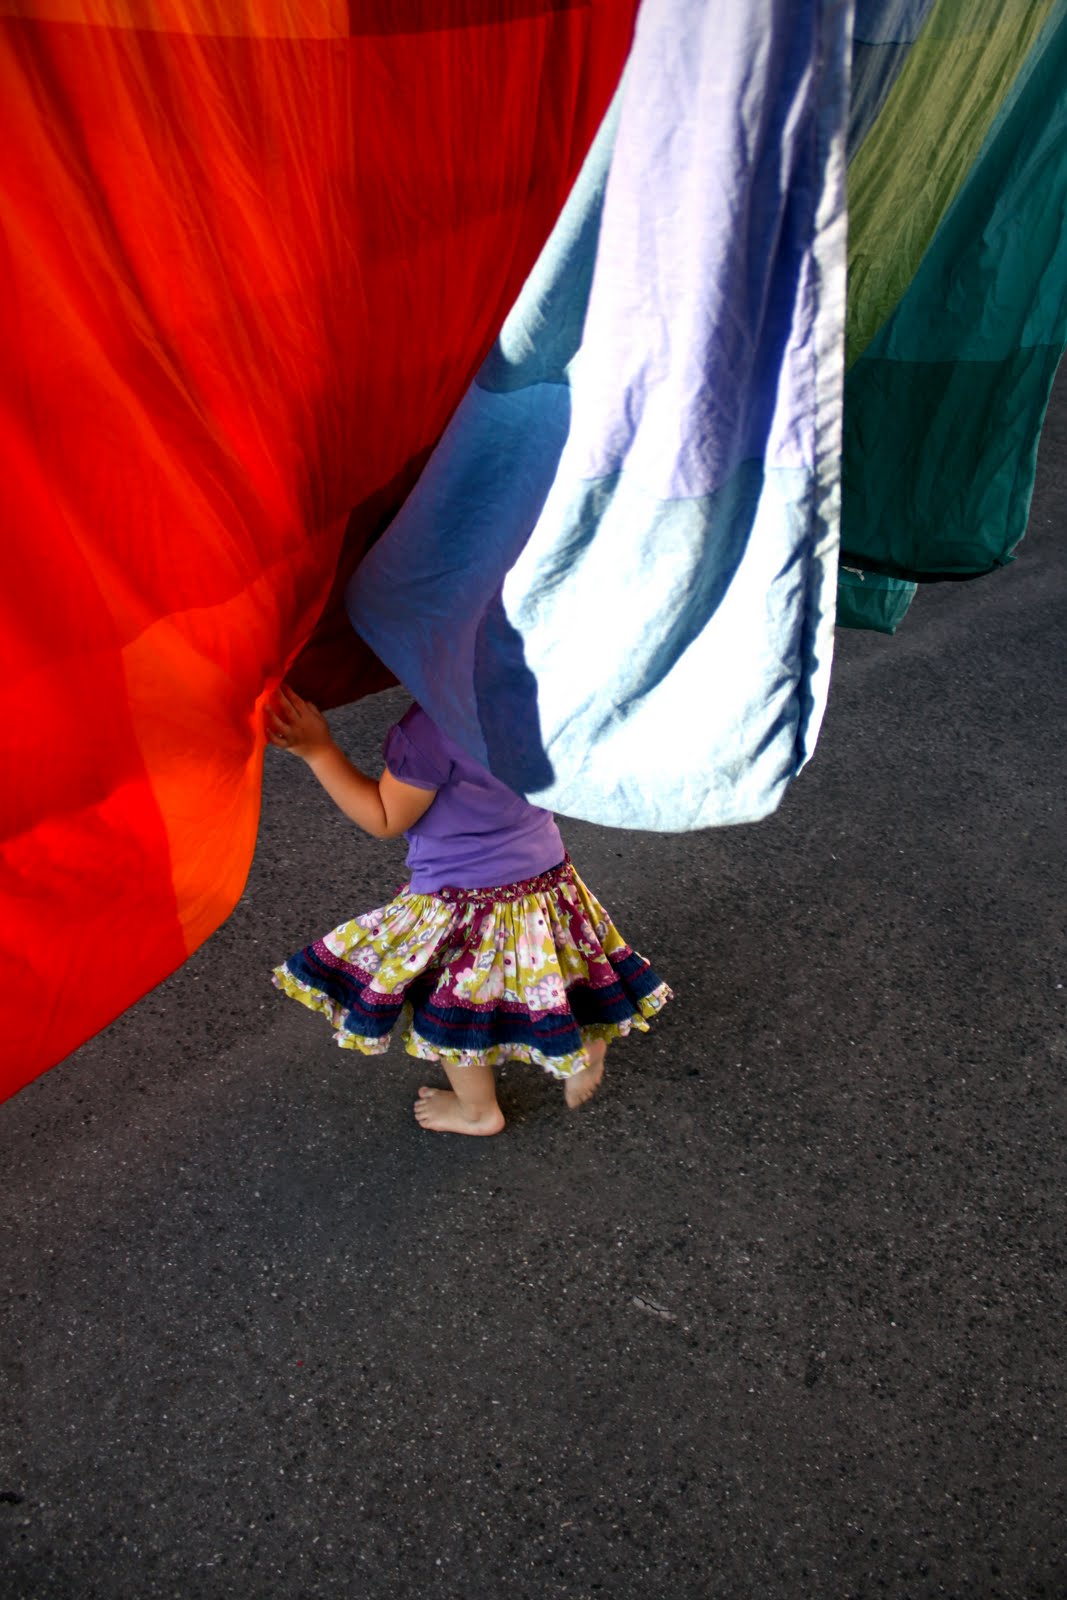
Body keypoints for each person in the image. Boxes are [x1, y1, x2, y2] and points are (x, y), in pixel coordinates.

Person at [267, 686, 672, 1136]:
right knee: (559, 970)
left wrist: (319, 750)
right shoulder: (545, 692)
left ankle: (477, 1113)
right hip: (546, 879)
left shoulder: (432, 728)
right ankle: (584, 1047)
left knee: (453, 1010)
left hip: (464, 904)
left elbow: (384, 816)